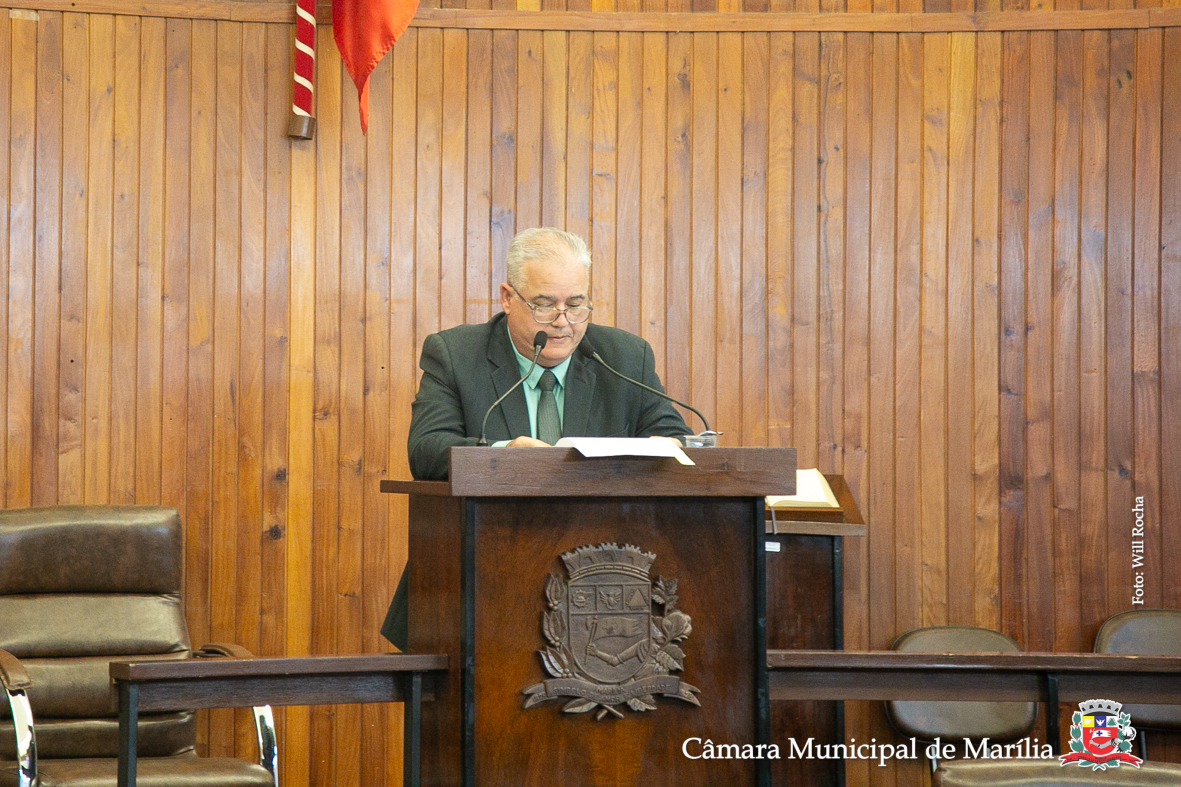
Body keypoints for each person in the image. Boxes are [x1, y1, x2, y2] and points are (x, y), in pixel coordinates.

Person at [382, 227, 691, 649]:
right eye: (545, 305)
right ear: (508, 297)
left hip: (602, 589)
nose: (563, 322)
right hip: (473, 588)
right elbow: (427, 449)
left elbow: (674, 438)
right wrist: (503, 454)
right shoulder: (456, 354)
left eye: (576, 304)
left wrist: (664, 450)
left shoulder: (623, 357)